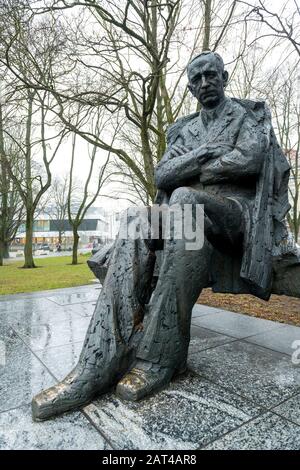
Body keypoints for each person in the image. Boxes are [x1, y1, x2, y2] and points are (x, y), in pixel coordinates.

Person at [32, 51, 291, 421]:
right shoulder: (184, 130)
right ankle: (96, 363)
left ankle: (159, 357)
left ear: (225, 76)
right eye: (196, 79)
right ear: (190, 86)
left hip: (235, 215)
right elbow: (162, 175)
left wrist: (192, 174)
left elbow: (248, 159)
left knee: (185, 198)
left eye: (210, 75)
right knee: (139, 219)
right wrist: (204, 153)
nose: (204, 83)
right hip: (189, 217)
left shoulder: (248, 116)